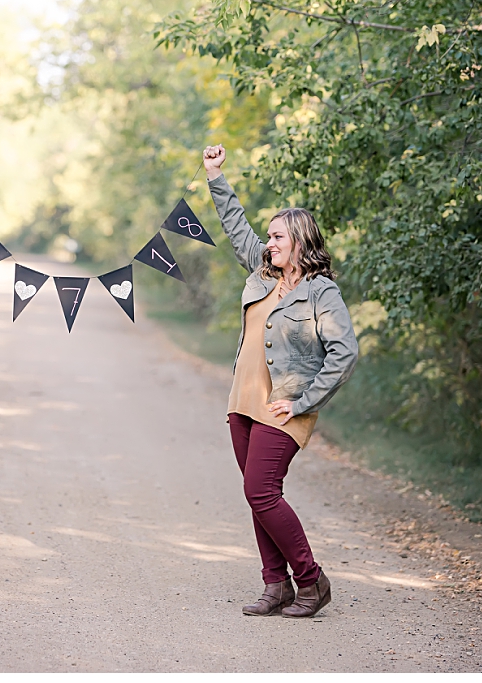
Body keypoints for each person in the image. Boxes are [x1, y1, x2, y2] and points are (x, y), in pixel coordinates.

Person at [203, 144, 358, 619]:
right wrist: (215, 177)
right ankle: (276, 586)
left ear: (300, 242)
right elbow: (234, 225)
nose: (269, 243)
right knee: (258, 494)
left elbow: (344, 351)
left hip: (283, 406)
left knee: (261, 491)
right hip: (241, 402)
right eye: (268, 236)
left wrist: (306, 400)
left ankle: (311, 581)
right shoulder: (261, 271)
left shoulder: (321, 291)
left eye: (278, 237)